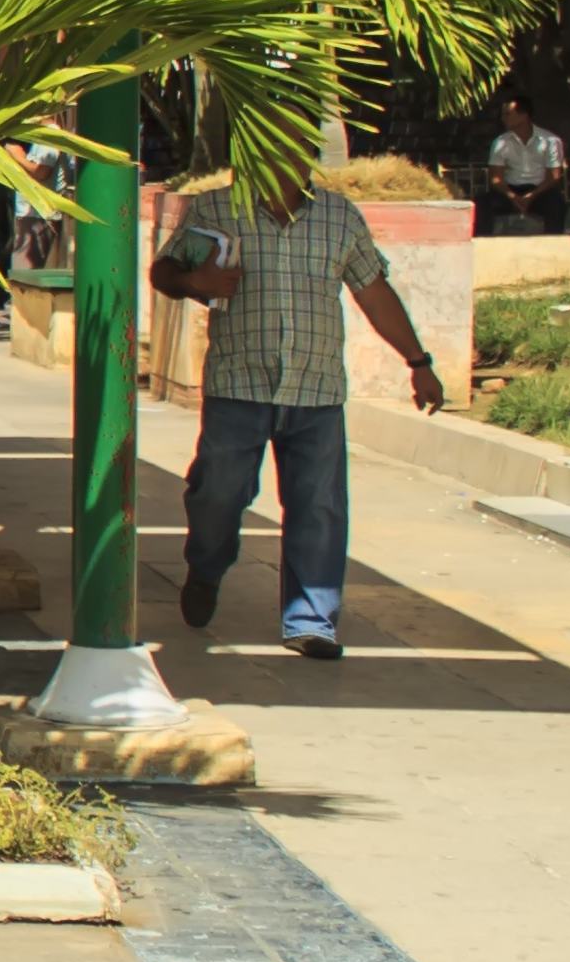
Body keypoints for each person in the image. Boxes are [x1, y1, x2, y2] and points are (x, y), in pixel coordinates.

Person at [153, 164, 444, 658]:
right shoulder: (215, 209)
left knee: (319, 508)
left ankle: (311, 621)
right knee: (217, 494)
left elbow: (372, 291)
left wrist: (418, 362)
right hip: (238, 384)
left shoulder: (339, 217)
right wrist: (194, 280)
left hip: (316, 391)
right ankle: (206, 566)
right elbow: (164, 271)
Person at [480, 93, 567, 236]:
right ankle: (482, 244)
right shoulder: (500, 142)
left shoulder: (551, 140)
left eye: (508, 114)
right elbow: (496, 178)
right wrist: (513, 196)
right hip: (509, 190)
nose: (503, 119)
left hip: (539, 190)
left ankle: (553, 244)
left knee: (556, 204)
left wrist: (531, 196)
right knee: (482, 203)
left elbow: (554, 176)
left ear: (524, 115)